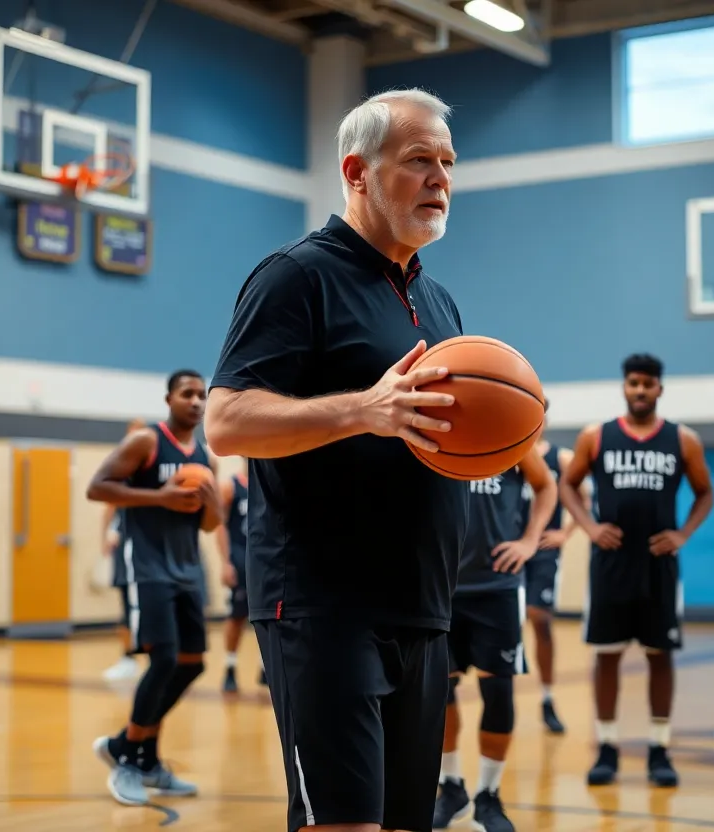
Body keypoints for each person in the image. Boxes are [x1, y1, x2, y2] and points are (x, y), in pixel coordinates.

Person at [204, 88, 467, 832]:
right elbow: (224, 423)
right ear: (357, 172)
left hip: (423, 609)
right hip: (324, 609)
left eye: (448, 162)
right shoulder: (295, 276)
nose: (440, 178)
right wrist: (362, 409)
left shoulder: (440, 302)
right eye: (419, 161)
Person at [559, 353, 714, 788]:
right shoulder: (596, 436)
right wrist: (588, 527)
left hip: (659, 565)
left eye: (648, 383)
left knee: (659, 655)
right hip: (609, 564)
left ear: (660, 389)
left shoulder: (683, 440)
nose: (640, 390)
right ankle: (606, 747)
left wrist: (683, 534)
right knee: (606, 655)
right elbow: (567, 484)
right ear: (624, 387)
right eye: (633, 383)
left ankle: (659, 749)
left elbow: (706, 494)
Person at [89, 370, 223, 806]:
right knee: (163, 659)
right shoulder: (146, 441)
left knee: (191, 663)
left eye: (202, 395)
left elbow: (209, 524)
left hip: (187, 571)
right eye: (187, 394)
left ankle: (135, 750)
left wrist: (212, 501)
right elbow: (97, 488)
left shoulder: (204, 456)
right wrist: (159, 498)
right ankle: (130, 759)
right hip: (149, 569)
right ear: (169, 399)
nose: (197, 402)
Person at [433, 444, 557, 831]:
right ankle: (450, 787)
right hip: (440, 587)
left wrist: (530, 540)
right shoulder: (429, 432)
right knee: (439, 695)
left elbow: (546, 486)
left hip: (497, 587)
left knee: (498, 693)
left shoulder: (509, 435)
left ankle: (489, 794)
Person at [519, 410, 582, 735]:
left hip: (543, 546)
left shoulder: (562, 457)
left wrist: (565, 533)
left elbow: (582, 498)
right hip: (511, 544)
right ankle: (504, 696)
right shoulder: (507, 450)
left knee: (539, 617)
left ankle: (547, 696)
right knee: (510, 619)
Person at [102, 418, 147, 682]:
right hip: (125, 548)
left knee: (149, 605)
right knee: (126, 605)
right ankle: (127, 657)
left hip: (148, 549)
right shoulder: (120, 468)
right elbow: (110, 506)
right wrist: (106, 536)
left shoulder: (151, 470)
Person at [215, 460, 264, 693]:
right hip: (239, 561)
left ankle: (265, 669)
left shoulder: (267, 485)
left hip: (264, 562)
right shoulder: (230, 487)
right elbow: (220, 525)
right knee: (236, 616)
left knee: (267, 618)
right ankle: (230, 667)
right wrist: (225, 562)